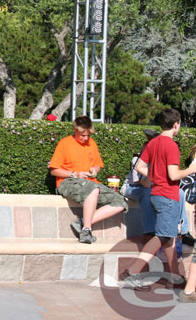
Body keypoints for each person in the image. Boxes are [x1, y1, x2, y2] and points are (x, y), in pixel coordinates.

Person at [122, 108, 196, 291]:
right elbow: (174, 175)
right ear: (176, 124)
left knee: (168, 236)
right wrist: (192, 169)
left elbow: (139, 166)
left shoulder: (153, 143)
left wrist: (154, 176)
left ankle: (177, 278)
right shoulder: (171, 146)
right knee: (162, 235)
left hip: (155, 194)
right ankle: (133, 272)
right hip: (168, 196)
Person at [49, 115, 128, 244]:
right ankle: (86, 230)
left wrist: (95, 170)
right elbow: (54, 170)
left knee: (120, 202)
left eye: (88, 135)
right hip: (68, 182)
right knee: (93, 189)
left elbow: (97, 164)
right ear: (75, 131)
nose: (86, 138)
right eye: (82, 135)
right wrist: (75, 174)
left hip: (90, 183)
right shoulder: (65, 143)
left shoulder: (92, 143)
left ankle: (81, 222)